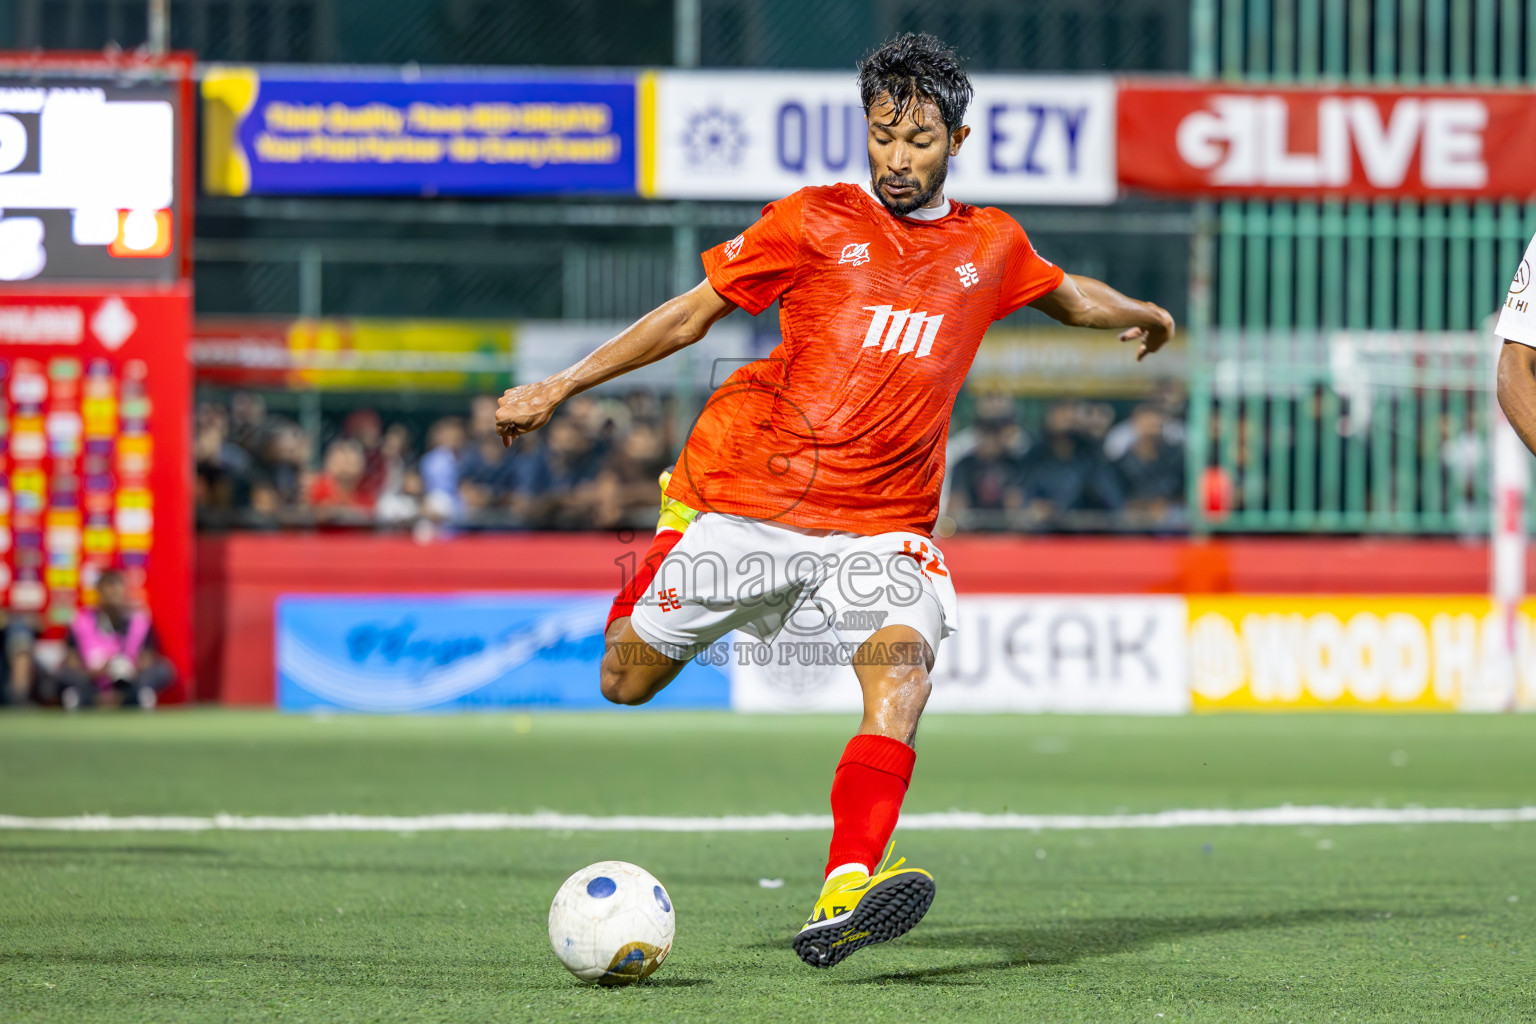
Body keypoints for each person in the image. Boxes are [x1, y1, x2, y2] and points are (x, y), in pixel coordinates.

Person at [491, 32, 1173, 970]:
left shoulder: (992, 243)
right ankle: (670, 530)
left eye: (921, 140)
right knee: (624, 681)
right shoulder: (812, 220)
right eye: (883, 135)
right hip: (745, 503)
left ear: (958, 141)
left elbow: (1065, 295)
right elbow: (691, 315)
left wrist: (1142, 312)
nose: (898, 157)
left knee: (903, 677)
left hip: (883, 528)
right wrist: (561, 386)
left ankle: (847, 884)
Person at [44, 570, 175, 710]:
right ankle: (98, 698)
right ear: (99, 594)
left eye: (116, 594)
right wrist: (97, 672)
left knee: (163, 669)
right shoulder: (81, 621)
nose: (113, 600)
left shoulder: (140, 622)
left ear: (125, 593)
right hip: (92, 680)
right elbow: (71, 661)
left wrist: (129, 669)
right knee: (62, 674)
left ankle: (120, 698)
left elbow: (147, 659)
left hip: (128, 681)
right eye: (108, 595)